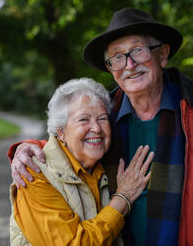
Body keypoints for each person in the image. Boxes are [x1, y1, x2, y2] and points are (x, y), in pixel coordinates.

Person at [8, 8, 193, 246]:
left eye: (138, 51)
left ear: (162, 55)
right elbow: (73, 144)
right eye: (117, 57)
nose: (129, 65)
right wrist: (29, 147)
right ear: (110, 68)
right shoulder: (108, 116)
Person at [9, 78, 154, 245]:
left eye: (102, 119)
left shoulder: (104, 163)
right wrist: (123, 198)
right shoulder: (33, 173)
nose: (97, 128)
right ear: (61, 132)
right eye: (84, 119)